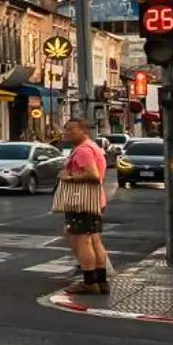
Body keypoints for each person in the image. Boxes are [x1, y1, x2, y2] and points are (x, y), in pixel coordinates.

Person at [55, 118, 111, 295]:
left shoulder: (83, 151)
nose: (66, 132)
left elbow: (93, 175)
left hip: (83, 202)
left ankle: (89, 282)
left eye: (71, 129)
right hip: (95, 200)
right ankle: (101, 281)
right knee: (94, 239)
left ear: (84, 131)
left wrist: (69, 177)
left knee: (82, 240)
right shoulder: (92, 147)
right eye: (65, 128)